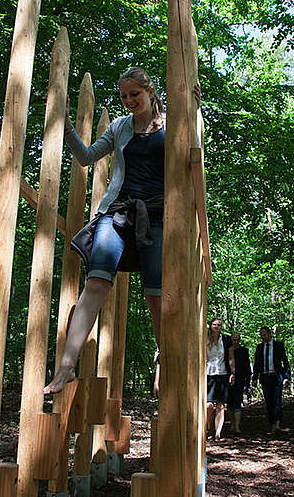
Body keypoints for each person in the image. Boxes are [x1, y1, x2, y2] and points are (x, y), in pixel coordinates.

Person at [44, 68, 200, 395]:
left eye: (134, 95)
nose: (129, 101)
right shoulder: (119, 127)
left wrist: (194, 114)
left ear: (150, 91)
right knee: (96, 281)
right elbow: (87, 157)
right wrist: (70, 129)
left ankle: (168, 369)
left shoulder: (173, 124)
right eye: (124, 96)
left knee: (156, 298)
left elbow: (192, 157)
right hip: (117, 212)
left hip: (158, 216)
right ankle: (66, 367)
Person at [252, 325, 291, 431]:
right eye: (261, 335)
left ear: (269, 334)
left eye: (264, 334)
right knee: (268, 401)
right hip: (265, 377)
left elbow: (285, 362)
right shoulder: (260, 347)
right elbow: (257, 363)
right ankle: (272, 424)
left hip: (277, 376)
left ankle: (278, 423)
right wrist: (255, 377)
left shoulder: (278, 345)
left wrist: (287, 377)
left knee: (277, 400)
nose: (263, 337)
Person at [205, 318, 234, 441]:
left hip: (222, 375)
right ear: (210, 326)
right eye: (214, 325)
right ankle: (209, 429)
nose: (217, 327)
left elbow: (231, 358)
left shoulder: (226, 339)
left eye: (219, 325)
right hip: (208, 375)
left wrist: (233, 372)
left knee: (220, 405)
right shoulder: (204, 338)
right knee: (208, 405)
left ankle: (218, 433)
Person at [226, 331, 252, 433]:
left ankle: (237, 426)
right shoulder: (226, 350)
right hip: (227, 379)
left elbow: (247, 366)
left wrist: (247, 381)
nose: (235, 341)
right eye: (233, 339)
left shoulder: (244, 351)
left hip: (240, 379)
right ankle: (232, 423)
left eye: (237, 340)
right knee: (229, 403)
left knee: (237, 401)